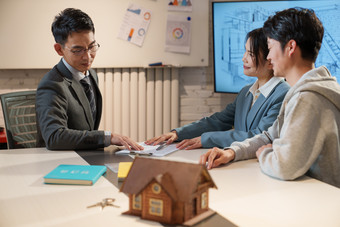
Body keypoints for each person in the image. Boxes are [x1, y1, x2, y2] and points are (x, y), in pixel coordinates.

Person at [200, 8, 340, 188]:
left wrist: (264, 154)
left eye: (271, 47)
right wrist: (232, 152)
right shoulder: (302, 91)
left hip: (317, 203)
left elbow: (284, 166)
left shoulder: (309, 98)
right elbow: (268, 136)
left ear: (290, 47)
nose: (268, 56)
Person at [146, 28, 290, 150]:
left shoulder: (282, 93)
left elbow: (258, 136)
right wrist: (179, 133)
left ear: (270, 60)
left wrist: (206, 139)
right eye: (245, 52)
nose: (243, 58)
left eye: (250, 54)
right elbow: (219, 120)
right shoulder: (246, 92)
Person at [36, 8, 143, 151]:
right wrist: (107, 137)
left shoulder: (91, 74)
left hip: (87, 156)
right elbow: (55, 137)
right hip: (60, 162)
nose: (88, 57)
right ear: (59, 50)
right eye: (78, 50)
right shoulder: (52, 85)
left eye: (92, 47)